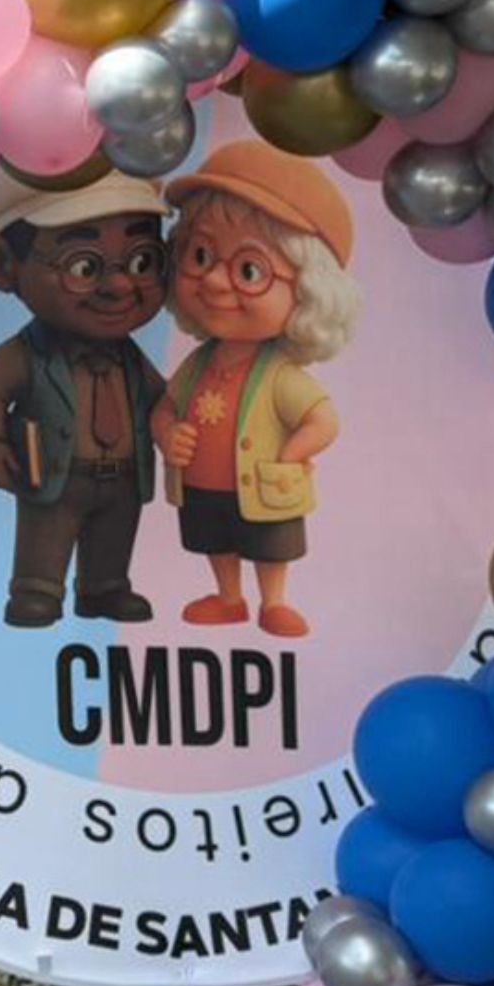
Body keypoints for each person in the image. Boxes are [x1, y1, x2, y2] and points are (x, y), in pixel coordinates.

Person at [152, 143, 361, 639]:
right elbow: (165, 406)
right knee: (214, 539)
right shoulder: (198, 364)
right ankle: (229, 597)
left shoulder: (280, 376)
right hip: (204, 485)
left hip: (265, 486)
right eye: (200, 255)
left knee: (269, 544)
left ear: (309, 292)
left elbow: (322, 419)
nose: (217, 283)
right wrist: (167, 433)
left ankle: (274, 601)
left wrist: (292, 453)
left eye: (249, 271)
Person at [0, 170, 171, 628]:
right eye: (84, 266)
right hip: (55, 472)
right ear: (2, 266)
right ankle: (37, 589)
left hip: (122, 478)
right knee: (46, 534)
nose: (119, 287)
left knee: (114, 536)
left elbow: (160, 398)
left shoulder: (129, 360)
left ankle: (105, 587)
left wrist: (181, 419)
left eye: (141, 261)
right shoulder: (27, 355)